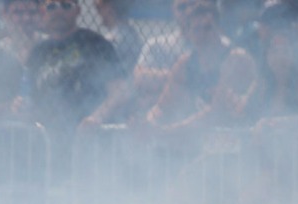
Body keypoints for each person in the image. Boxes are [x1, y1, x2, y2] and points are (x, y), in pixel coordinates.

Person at [17, 0, 129, 132]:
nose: (58, 11)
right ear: (43, 11)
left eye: (66, 5)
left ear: (77, 10)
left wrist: (96, 117)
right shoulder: (37, 51)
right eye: (52, 6)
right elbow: (28, 95)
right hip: (47, 135)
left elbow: (120, 90)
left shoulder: (95, 43)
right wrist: (21, 106)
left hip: (86, 134)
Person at [145, 0, 258, 130]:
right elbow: (162, 106)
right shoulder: (185, 64)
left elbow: (215, 113)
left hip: (236, 133)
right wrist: (150, 122)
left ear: (218, 29)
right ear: (188, 34)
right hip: (195, 135)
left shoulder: (236, 59)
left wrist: (167, 131)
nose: (202, 35)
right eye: (197, 29)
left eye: (208, 28)